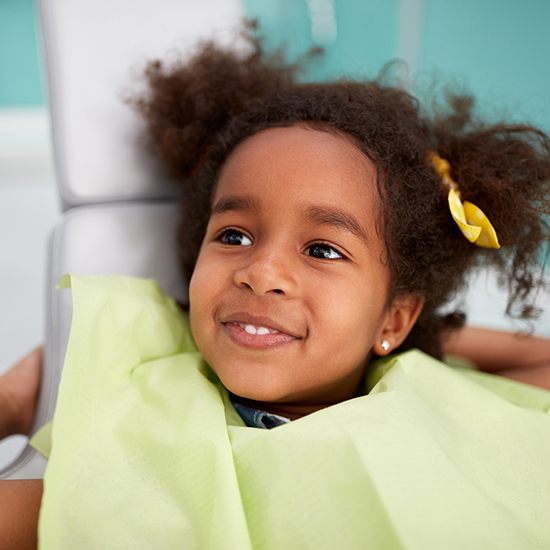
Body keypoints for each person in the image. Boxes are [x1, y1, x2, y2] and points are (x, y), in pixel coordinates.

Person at [1, 27, 550, 548]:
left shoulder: (428, 403)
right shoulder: (153, 416)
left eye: (322, 250)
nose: (260, 272)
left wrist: (414, 336)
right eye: (234, 236)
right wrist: (17, 397)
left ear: (396, 317)